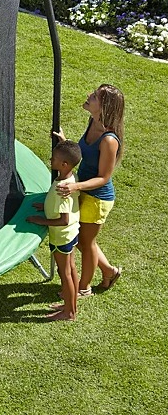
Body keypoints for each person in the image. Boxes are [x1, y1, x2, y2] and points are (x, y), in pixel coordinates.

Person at [54, 84, 125, 297]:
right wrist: (66, 143)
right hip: (84, 190)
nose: (88, 96)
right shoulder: (92, 122)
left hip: (97, 198)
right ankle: (109, 271)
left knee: (86, 243)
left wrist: (74, 186)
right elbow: (84, 153)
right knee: (83, 241)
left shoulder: (109, 140)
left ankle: (83, 288)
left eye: (94, 96)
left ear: (104, 107)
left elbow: (103, 178)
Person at [27, 141, 82, 321]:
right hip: (72, 232)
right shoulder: (68, 179)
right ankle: (70, 303)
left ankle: (69, 313)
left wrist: (40, 220)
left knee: (64, 273)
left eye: (54, 158)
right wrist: (44, 206)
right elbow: (57, 206)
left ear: (64, 164)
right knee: (70, 269)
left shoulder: (61, 189)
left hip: (62, 237)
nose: (51, 159)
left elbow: (63, 219)